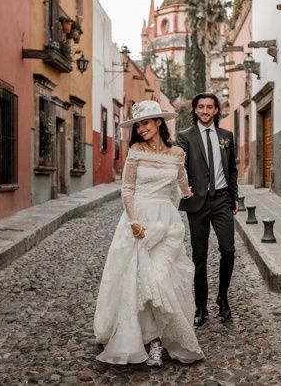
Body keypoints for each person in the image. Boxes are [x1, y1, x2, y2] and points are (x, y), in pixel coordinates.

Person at [93, 100, 204, 368]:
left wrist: (190, 192)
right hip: (139, 223)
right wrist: (133, 220)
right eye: (138, 124)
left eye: (146, 123)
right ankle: (152, 341)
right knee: (140, 282)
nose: (142, 128)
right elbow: (127, 189)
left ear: (158, 123)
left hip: (166, 224)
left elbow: (180, 182)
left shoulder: (177, 153)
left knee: (161, 278)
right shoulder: (135, 151)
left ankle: (165, 337)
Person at [176, 92, 239, 327]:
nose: (204, 111)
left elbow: (231, 169)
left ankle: (222, 298)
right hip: (197, 202)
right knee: (199, 257)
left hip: (222, 199)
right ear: (195, 110)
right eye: (200, 107)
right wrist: (184, 188)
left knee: (229, 250)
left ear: (215, 110)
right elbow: (180, 166)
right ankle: (200, 306)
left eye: (209, 107)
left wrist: (235, 198)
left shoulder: (226, 136)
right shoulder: (185, 137)